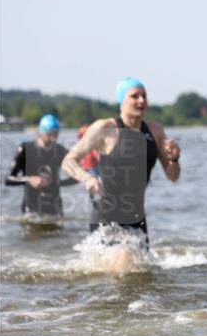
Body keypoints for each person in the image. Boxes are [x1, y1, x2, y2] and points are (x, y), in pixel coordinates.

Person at [63, 77, 181, 245]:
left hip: (137, 219)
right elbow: (68, 161)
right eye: (135, 96)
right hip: (107, 217)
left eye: (144, 96)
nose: (142, 100)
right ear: (121, 100)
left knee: (141, 271)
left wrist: (174, 159)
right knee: (124, 264)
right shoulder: (106, 128)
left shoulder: (155, 130)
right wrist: (87, 178)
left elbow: (173, 177)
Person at [4, 114, 78, 219]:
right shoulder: (25, 149)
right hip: (31, 207)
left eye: (56, 134)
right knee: (33, 232)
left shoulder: (61, 151)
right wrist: (29, 179)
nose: (53, 138)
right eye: (50, 134)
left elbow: (77, 176)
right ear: (40, 132)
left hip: (54, 207)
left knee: (57, 234)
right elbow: (8, 179)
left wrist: (57, 183)